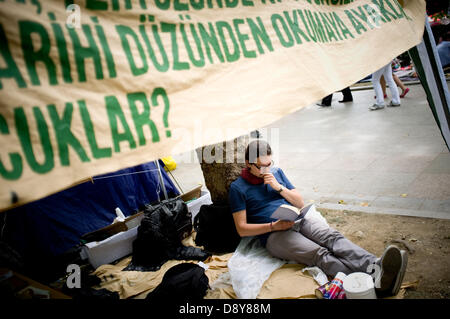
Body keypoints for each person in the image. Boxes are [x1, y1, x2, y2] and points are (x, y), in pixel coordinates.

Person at [228, 140, 408, 297]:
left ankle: (376, 266)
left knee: (332, 238)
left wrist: (279, 188)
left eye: (269, 163)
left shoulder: (276, 172)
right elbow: (241, 228)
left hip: (297, 218)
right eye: (261, 166)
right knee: (319, 254)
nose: (266, 169)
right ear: (248, 163)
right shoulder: (238, 188)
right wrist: (273, 226)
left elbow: (299, 201)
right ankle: (369, 283)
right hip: (274, 234)